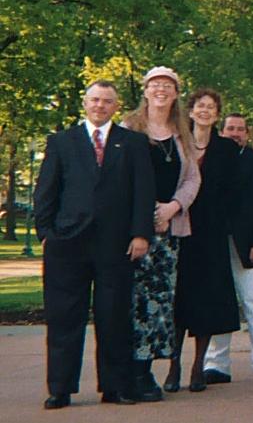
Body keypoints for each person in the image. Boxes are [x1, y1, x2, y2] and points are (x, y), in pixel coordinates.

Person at [34, 80, 155, 409]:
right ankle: (60, 388)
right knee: (64, 318)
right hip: (67, 244)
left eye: (107, 101)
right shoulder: (62, 141)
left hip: (116, 245)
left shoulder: (133, 142)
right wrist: (46, 233)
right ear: (85, 103)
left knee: (114, 316)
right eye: (95, 100)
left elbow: (144, 191)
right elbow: (46, 190)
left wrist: (141, 234)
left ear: (116, 106)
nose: (100, 105)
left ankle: (115, 387)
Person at [123, 66, 201, 402]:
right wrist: (147, 213)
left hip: (169, 231)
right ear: (145, 91)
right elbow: (120, 178)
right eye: (155, 84)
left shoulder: (182, 134)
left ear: (176, 93)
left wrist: (172, 208)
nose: (161, 90)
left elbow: (193, 179)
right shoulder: (128, 129)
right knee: (132, 300)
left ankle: (146, 369)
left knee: (159, 302)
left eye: (168, 86)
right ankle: (129, 371)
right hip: (132, 230)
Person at [168, 89, 241, 392]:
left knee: (206, 300)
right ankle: (174, 365)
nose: (205, 111)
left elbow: (233, 191)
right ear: (191, 110)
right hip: (179, 228)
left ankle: (198, 366)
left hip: (211, 234)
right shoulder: (176, 143)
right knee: (178, 300)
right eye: (200, 106)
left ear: (217, 114)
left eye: (211, 107)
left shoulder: (226, 149)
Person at [203, 113, 253, 388]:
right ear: (221, 132)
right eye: (230, 129)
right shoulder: (209, 161)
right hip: (215, 244)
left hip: (251, 245)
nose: (235, 133)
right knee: (218, 303)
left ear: (247, 134)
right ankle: (216, 364)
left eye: (240, 129)